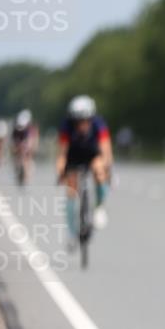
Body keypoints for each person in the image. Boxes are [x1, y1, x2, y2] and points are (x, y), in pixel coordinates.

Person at [55, 95, 113, 240]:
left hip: (92, 153)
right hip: (73, 155)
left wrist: (106, 168)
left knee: (100, 171)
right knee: (71, 189)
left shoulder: (99, 124)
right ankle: (70, 229)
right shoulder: (66, 126)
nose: (82, 124)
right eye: (78, 121)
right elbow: (62, 153)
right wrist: (61, 170)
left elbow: (106, 149)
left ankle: (99, 207)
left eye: (85, 120)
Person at [11, 109, 38, 184]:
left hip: (27, 140)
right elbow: (13, 141)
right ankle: (17, 167)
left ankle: (27, 171)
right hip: (19, 140)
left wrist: (28, 147)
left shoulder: (30, 129)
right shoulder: (15, 128)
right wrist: (15, 148)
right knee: (16, 152)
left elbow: (30, 140)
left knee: (27, 153)